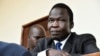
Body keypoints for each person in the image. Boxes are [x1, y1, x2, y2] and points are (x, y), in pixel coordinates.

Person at [31, 3, 100, 56]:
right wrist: (47, 53)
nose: (54, 25)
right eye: (51, 20)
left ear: (71, 24)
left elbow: (95, 55)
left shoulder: (84, 40)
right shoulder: (43, 43)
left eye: (61, 20)